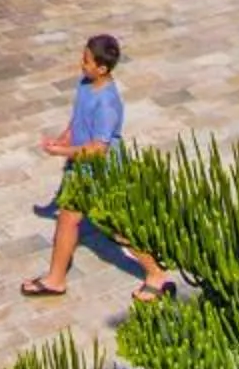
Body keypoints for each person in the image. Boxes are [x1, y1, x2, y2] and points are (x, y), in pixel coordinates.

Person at [20, 34, 175, 301]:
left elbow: (97, 148)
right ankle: (56, 280)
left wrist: (62, 152)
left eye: (87, 61)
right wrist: (63, 138)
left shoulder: (107, 104)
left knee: (118, 227)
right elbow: (78, 118)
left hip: (102, 173)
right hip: (80, 170)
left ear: (102, 68)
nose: (82, 64)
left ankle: (156, 274)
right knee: (68, 218)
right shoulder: (86, 84)